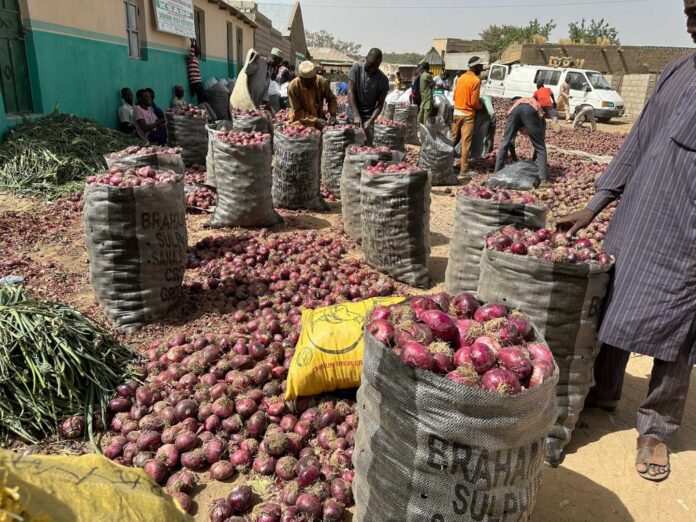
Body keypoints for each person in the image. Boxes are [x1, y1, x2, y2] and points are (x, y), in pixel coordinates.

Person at [555, 0, 696, 483]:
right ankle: (606, 388)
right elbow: (637, 141)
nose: (689, 14)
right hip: (639, 214)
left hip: (688, 232)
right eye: (686, 7)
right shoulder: (678, 69)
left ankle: (655, 428)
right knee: (614, 302)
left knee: (678, 330)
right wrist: (596, 203)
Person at [494, 97, 547, 180]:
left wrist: (531, 159)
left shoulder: (518, 108)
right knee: (540, 146)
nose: (525, 135)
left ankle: (496, 173)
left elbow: (510, 142)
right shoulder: (537, 112)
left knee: (505, 142)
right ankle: (543, 180)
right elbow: (540, 143)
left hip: (514, 110)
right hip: (529, 110)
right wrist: (516, 158)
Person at [347, 48, 390, 144]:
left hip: (368, 116)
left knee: (367, 146)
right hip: (353, 112)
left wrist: (371, 120)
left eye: (374, 66)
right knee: (351, 143)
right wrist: (356, 115)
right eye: (369, 65)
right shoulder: (356, 68)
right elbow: (350, 91)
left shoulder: (383, 80)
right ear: (365, 58)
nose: (371, 69)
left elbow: (380, 103)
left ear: (379, 64)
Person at [452, 56, 484, 175]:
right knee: (466, 143)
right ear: (475, 67)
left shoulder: (460, 78)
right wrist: (481, 106)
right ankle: (464, 170)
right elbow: (473, 102)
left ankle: (444, 162)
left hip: (456, 113)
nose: (481, 69)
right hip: (467, 115)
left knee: (453, 140)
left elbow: (454, 96)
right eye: (480, 67)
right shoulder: (475, 80)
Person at [287, 61, 338, 129]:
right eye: (306, 81)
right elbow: (297, 110)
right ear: (300, 78)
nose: (310, 84)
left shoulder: (321, 81)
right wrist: (315, 120)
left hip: (319, 119)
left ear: (315, 77)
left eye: (312, 81)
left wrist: (333, 115)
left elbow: (331, 98)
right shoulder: (293, 86)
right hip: (300, 121)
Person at [188, 39, 207, 104]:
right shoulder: (191, 58)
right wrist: (192, 44)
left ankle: (201, 109)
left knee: (201, 97)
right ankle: (202, 110)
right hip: (195, 82)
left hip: (197, 81)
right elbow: (191, 53)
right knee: (203, 97)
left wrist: (194, 44)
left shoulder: (195, 59)